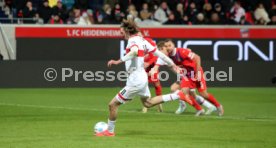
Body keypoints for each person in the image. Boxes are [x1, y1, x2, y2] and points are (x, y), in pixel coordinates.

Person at [96, 19, 176, 137]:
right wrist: (172, 64)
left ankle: (110, 131)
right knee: (148, 103)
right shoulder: (142, 40)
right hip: (141, 77)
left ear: (127, 31)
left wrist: (118, 61)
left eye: (122, 32)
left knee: (112, 105)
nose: (121, 34)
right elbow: (160, 55)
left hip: (136, 80)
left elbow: (134, 52)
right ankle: (177, 95)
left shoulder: (132, 41)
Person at [152, 40, 224, 116]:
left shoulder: (182, 52)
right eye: (166, 46)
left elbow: (197, 58)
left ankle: (218, 106)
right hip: (187, 75)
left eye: (169, 45)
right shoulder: (167, 56)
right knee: (184, 93)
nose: (168, 48)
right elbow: (160, 65)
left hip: (196, 72)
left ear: (173, 45)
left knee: (203, 94)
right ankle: (199, 110)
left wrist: (197, 72)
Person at [142, 37, 163, 113]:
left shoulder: (149, 42)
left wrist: (149, 63)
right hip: (143, 67)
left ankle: (159, 103)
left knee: (156, 84)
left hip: (152, 66)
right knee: (144, 85)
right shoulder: (135, 44)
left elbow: (156, 56)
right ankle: (145, 105)